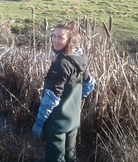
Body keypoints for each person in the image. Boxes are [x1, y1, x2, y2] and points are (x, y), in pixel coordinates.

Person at [32, 20, 96, 162]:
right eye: (54, 36)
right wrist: (75, 100)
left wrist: (40, 122)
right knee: (70, 157)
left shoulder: (61, 64)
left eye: (60, 37)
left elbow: (52, 98)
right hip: (73, 120)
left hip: (57, 123)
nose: (55, 40)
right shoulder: (80, 58)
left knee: (55, 158)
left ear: (69, 40)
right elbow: (90, 83)